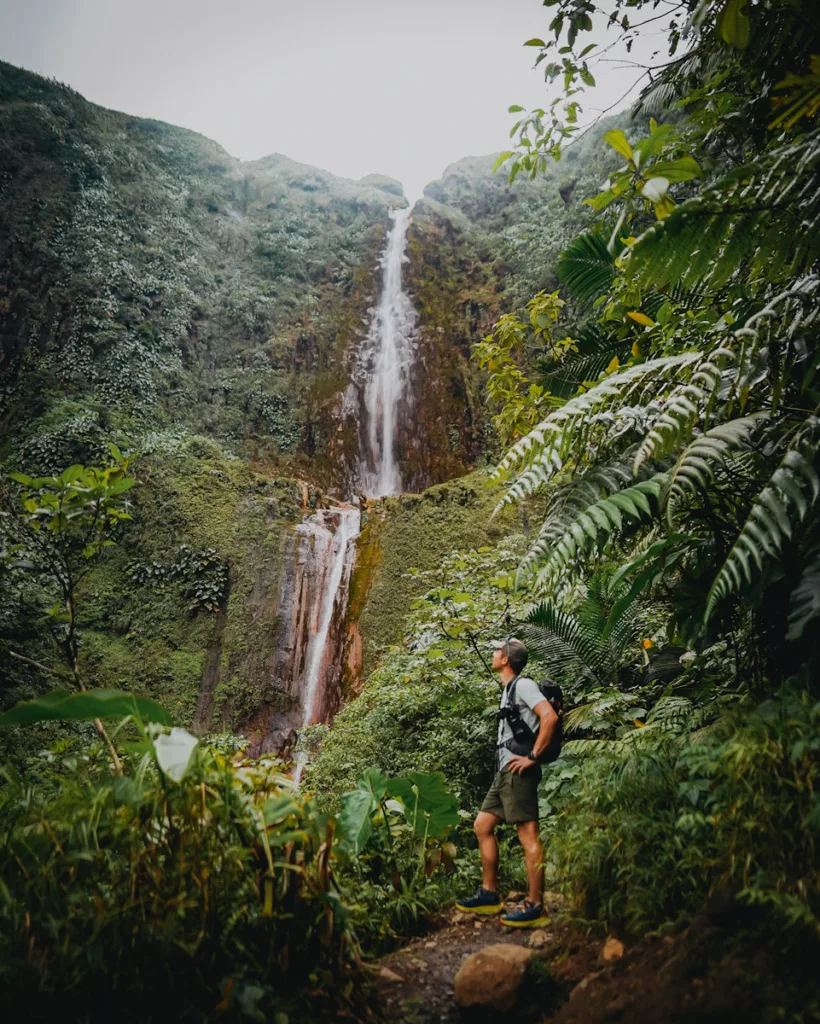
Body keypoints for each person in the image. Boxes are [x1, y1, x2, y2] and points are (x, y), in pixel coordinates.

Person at [455, 636, 558, 927]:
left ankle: (536, 905)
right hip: (504, 773)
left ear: (507, 659)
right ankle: (490, 894)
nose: (493, 651)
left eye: (497, 649)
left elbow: (548, 717)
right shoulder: (509, 688)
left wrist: (534, 757)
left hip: (518, 770)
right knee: (482, 825)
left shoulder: (523, 685)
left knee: (528, 835)